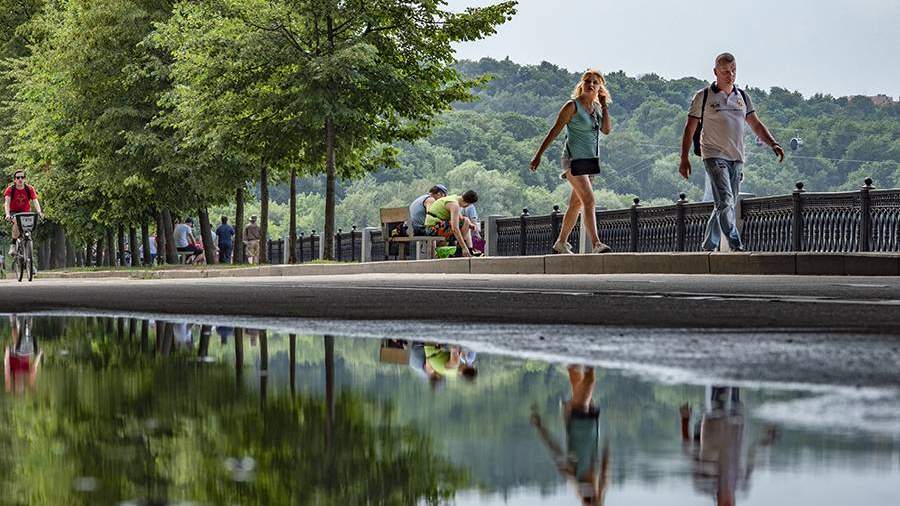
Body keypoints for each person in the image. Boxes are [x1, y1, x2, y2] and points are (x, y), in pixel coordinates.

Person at [679, 52, 785, 252]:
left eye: (733, 71)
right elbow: (689, 128)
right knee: (726, 200)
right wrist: (684, 159)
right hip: (713, 155)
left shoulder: (742, 97)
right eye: (725, 71)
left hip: (736, 157)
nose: (731, 75)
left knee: (725, 203)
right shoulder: (703, 97)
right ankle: (736, 244)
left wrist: (773, 143)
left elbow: (755, 123)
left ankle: (709, 243)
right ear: (715, 72)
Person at [530, 69, 613, 255]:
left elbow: (606, 130)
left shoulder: (597, 110)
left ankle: (561, 242)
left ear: (600, 88)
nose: (590, 84)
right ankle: (596, 244)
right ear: (581, 84)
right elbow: (555, 130)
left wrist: (604, 106)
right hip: (573, 160)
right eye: (587, 81)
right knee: (589, 200)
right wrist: (538, 155)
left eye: (595, 83)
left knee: (576, 204)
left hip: (591, 162)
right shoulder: (572, 106)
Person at [679, 387, 778, 506]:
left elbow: (688, 450)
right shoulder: (741, 483)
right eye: (731, 504)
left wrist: (685, 419)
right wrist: (766, 440)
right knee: (733, 382)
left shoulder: (705, 482)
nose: (729, 503)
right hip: (735, 421)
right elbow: (752, 458)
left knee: (718, 384)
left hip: (713, 418)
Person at [531, 365, 610, 505]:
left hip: (576, 415)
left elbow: (554, 449)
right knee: (575, 373)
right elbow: (604, 476)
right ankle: (571, 349)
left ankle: (587, 349)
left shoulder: (574, 475)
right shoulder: (595, 479)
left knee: (589, 379)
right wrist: (606, 457)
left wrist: (539, 426)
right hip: (589, 418)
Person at [424, 190, 480, 257]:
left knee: (466, 221)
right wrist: (464, 247)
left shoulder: (454, 198)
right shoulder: (454, 205)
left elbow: (461, 218)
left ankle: (468, 250)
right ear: (468, 204)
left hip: (433, 226)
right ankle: (462, 250)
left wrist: (470, 225)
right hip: (432, 229)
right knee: (466, 221)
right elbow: (454, 228)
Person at [4, 170, 43, 257]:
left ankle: (29, 259)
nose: (20, 179)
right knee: (16, 222)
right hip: (13, 212)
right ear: (15, 180)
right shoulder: (10, 189)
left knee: (29, 228)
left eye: (22, 177)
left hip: (26, 212)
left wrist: (39, 212)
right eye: (18, 177)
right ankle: (13, 245)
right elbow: (7, 202)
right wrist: (7, 214)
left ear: (25, 179)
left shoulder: (29, 189)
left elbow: (35, 201)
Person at [4, 316, 42, 395]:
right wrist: (39, 354)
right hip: (25, 353)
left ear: (14, 383)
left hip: (13, 353)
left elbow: (6, 365)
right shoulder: (28, 377)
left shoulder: (10, 375)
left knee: (16, 342)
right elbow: (34, 367)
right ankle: (27, 322)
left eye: (17, 384)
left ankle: (14, 323)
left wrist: (7, 353)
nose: (19, 382)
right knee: (27, 337)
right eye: (20, 385)